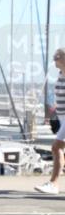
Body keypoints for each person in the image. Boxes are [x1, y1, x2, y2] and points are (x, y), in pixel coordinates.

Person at [36, 47, 65, 195]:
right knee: (58, 148)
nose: (54, 59)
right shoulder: (61, 74)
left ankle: (53, 184)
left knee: (56, 147)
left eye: (57, 56)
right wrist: (54, 108)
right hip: (61, 117)